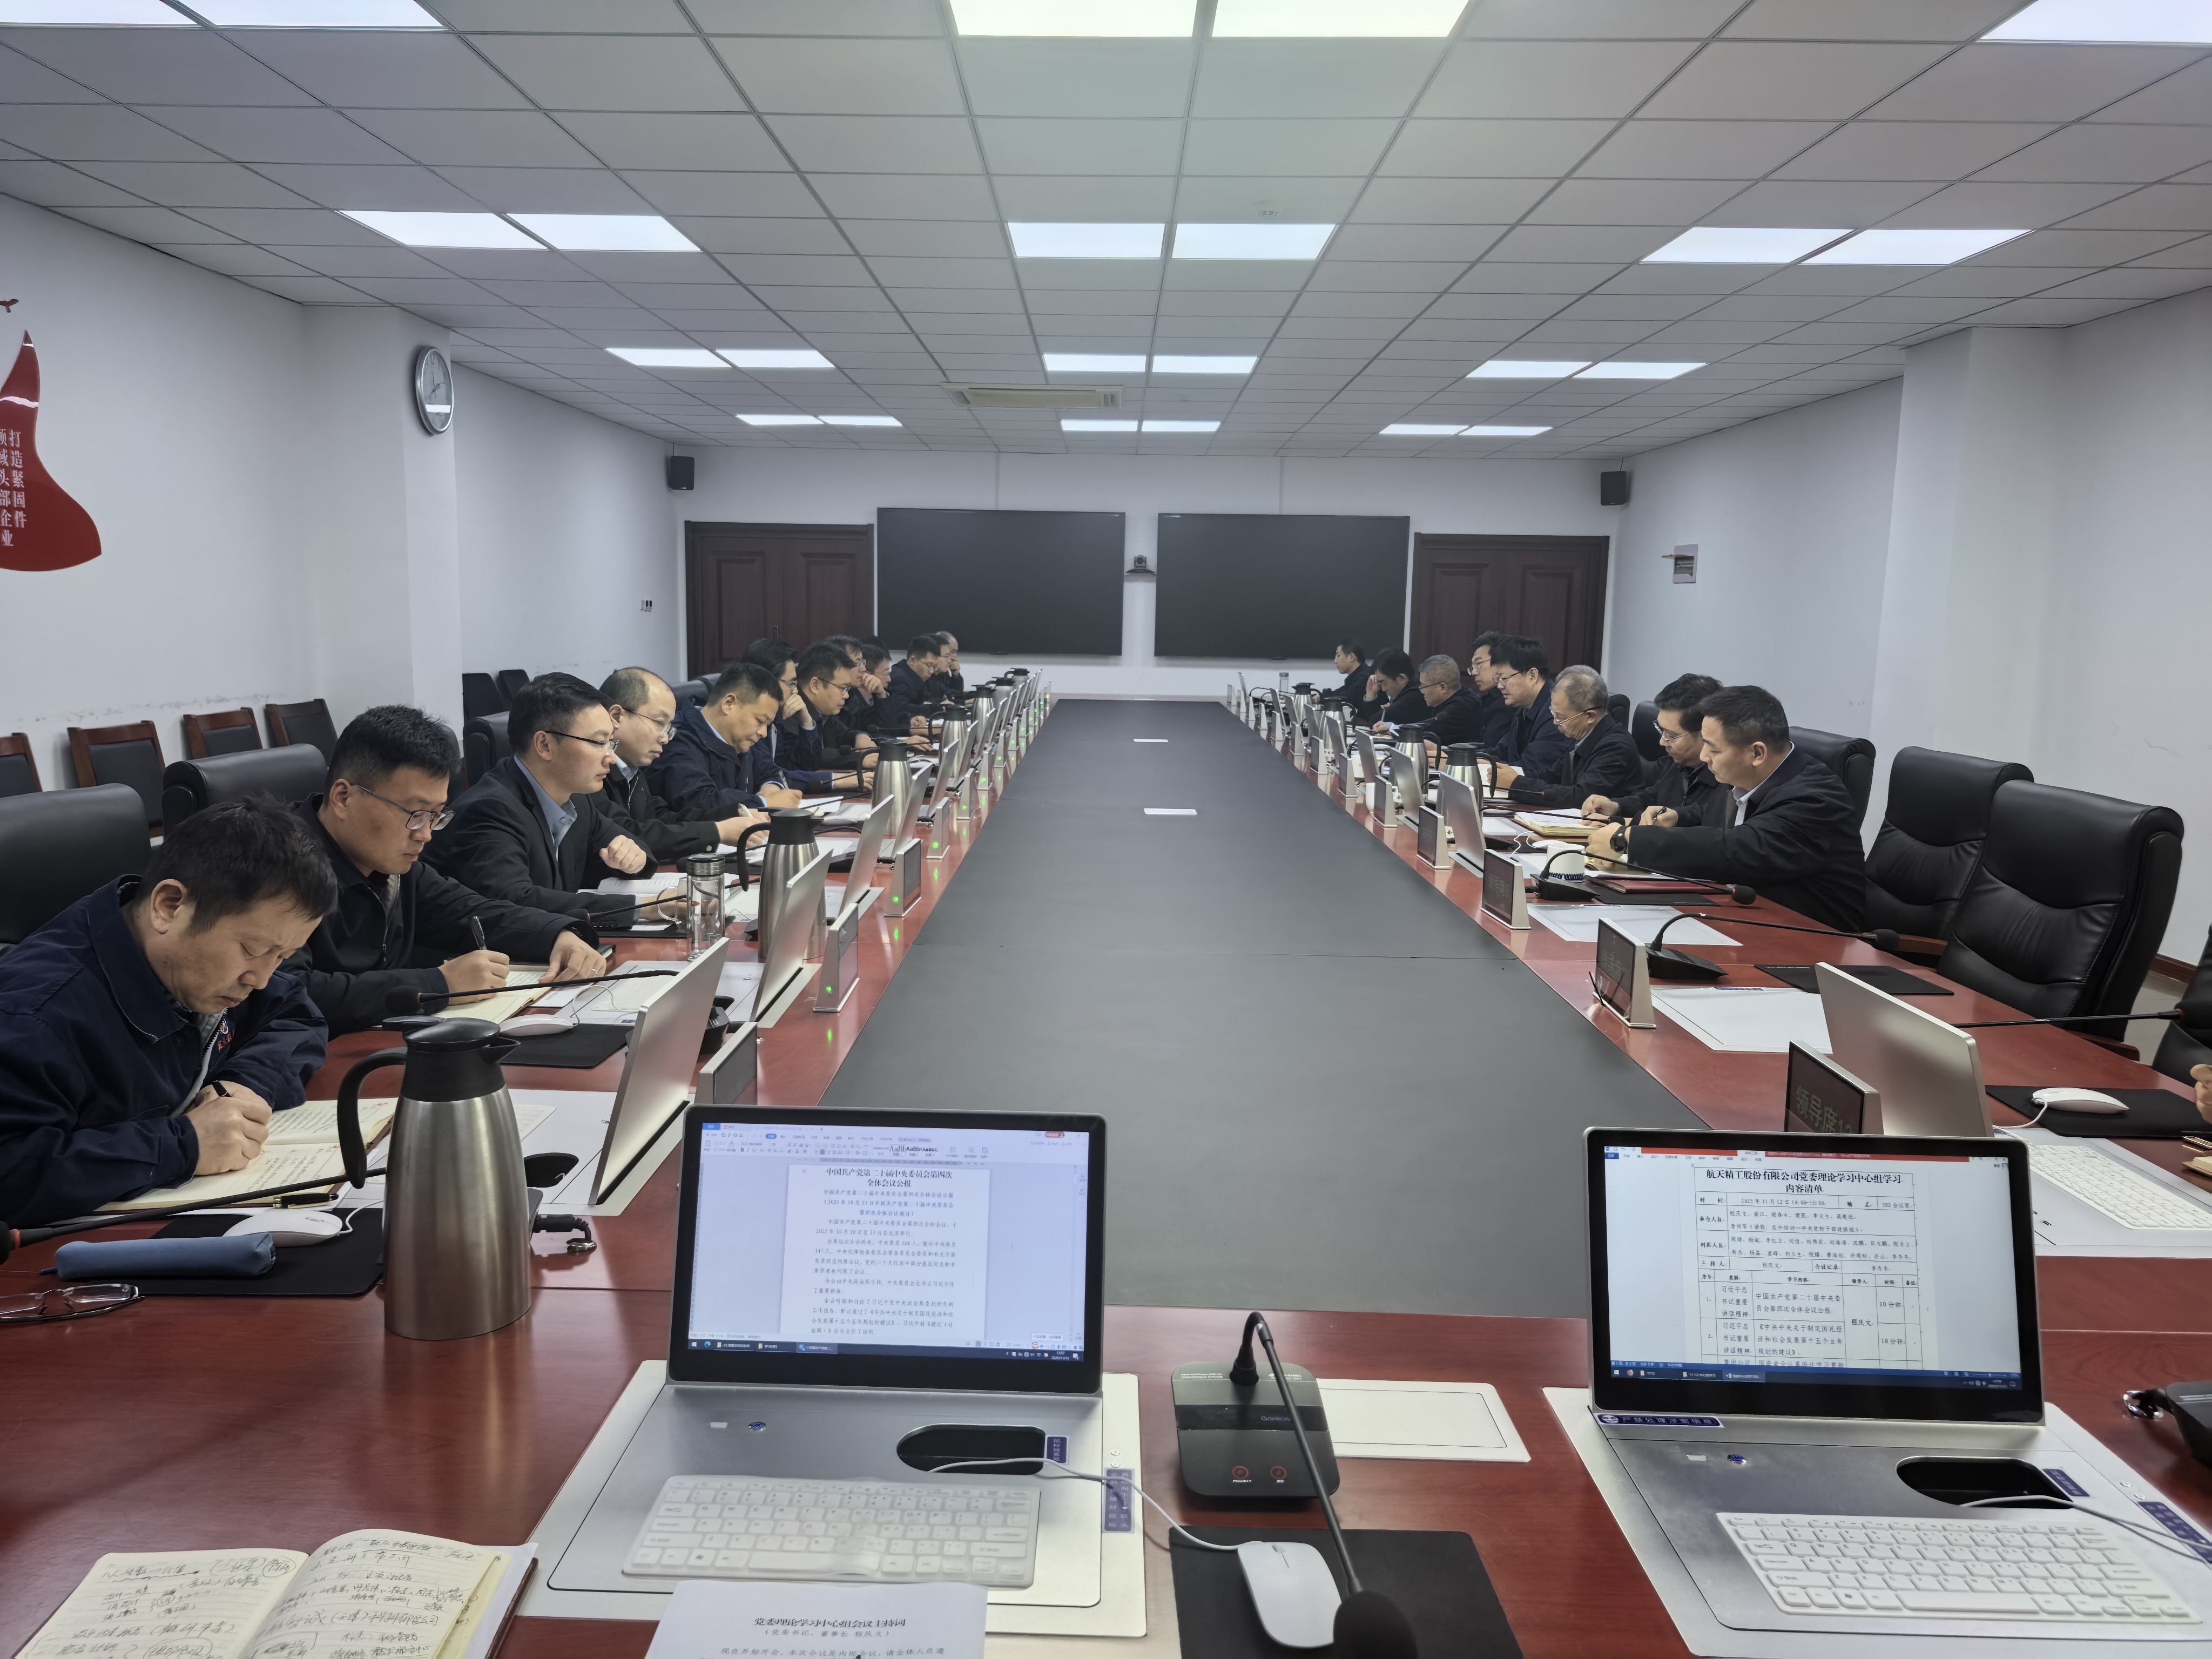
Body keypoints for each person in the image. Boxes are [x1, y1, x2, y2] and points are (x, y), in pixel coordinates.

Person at [0, 798, 336, 1225]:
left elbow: (295, 1013)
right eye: (252, 950)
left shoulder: (200, 964)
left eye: (282, 957)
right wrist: (185, 1145)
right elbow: (13, 1170)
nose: (261, 978)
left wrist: (246, 1083)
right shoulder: (35, 1017)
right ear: (169, 906)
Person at [288, 705, 602, 1034]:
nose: (425, 834)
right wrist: (437, 983)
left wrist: (556, 934)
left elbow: (469, 911)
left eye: (436, 815)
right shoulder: (280, 869)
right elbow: (289, 989)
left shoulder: (392, 866)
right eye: (415, 814)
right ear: (343, 798)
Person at [1603, 684, 1865, 933]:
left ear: (1757, 754)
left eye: (1714, 749)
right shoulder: (1742, 778)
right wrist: (1677, 817)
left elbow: (1740, 848)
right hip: (1740, 919)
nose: (1704, 757)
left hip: (1811, 939)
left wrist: (1632, 841)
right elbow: (1720, 820)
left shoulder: (1816, 797)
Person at [426, 673, 679, 926]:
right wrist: (647, 907)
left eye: (611, 743)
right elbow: (515, 901)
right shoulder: (489, 809)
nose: (611, 758)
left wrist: (634, 859)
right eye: (599, 743)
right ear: (545, 745)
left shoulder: (577, 800)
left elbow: (633, 845)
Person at [600, 666, 763, 862]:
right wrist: (717, 831)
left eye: (668, 727)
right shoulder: (592, 772)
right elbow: (625, 832)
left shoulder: (632, 770)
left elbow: (663, 818)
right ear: (617, 717)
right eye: (659, 723)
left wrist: (733, 814)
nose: (665, 739)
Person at [643, 660, 800, 819]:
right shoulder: (677, 741)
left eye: (767, 725)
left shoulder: (740, 740)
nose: (763, 733)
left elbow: (773, 770)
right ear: (729, 703)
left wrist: (771, 788)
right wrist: (764, 802)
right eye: (760, 721)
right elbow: (700, 802)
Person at [1584, 672, 1722, 827]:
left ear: (1706, 732)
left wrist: (1622, 824)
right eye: (1661, 731)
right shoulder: (1681, 764)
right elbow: (1653, 797)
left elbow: (1698, 823)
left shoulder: (1726, 780)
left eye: (1672, 736)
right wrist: (1616, 806)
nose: (1662, 742)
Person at [1503, 665, 1643, 810]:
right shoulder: (1583, 736)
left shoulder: (1616, 748)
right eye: (1554, 714)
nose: (1555, 722)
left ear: (1590, 716)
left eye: (1561, 717)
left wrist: (1516, 784)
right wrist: (1509, 775)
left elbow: (1581, 797)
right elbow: (1550, 775)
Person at [795, 643, 878, 785]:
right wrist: (858, 759)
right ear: (815, 685)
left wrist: (859, 736)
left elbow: (843, 734)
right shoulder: (793, 714)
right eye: (843, 688)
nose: (847, 695)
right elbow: (809, 758)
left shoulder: (823, 712)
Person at [1491, 635, 1570, 782]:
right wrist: (1464, 758)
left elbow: (1532, 769)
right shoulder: (1525, 708)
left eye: (1504, 679)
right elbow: (1501, 752)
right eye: (1497, 680)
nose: (1500, 686)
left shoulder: (1556, 712)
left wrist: (1489, 767)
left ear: (1532, 676)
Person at [1405, 656, 1491, 751]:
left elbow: (1420, 737)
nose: (1422, 691)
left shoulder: (1458, 710)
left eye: (1424, 686)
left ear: (1443, 688)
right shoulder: (1462, 698)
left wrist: (1400, 732)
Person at [881, 635, 942, 737]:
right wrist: (935, 709)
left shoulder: (916, 676)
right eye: (929, 666)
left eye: (934, 667)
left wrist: (940, 706)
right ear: (913, 661)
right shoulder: (900, 678)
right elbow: (900, 708)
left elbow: (928, 698)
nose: (932, 671)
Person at [1467, 630, 1516, 751]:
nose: (1474, 672)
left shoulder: (1510, 702)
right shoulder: (1486, 700)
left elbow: (1495, 750)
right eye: (1473, 667)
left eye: (1478, 664)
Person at [1365, 649, 1424, 730]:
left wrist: (1371, 696)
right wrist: (1371, 695)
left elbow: (1374, 722)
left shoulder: (1414, 697)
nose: (1383, 689)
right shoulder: (1408, 689)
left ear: (1402, 679)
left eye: (1384, 683)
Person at [1331, 640, 1374, 720]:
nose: (1335, 661)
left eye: (1338, 656)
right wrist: (1321, 696)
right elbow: (1340, 692)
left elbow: (1346, 697)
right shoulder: (1355, 678)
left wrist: (1323, 698)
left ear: (1351, 657)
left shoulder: (1365, 677)